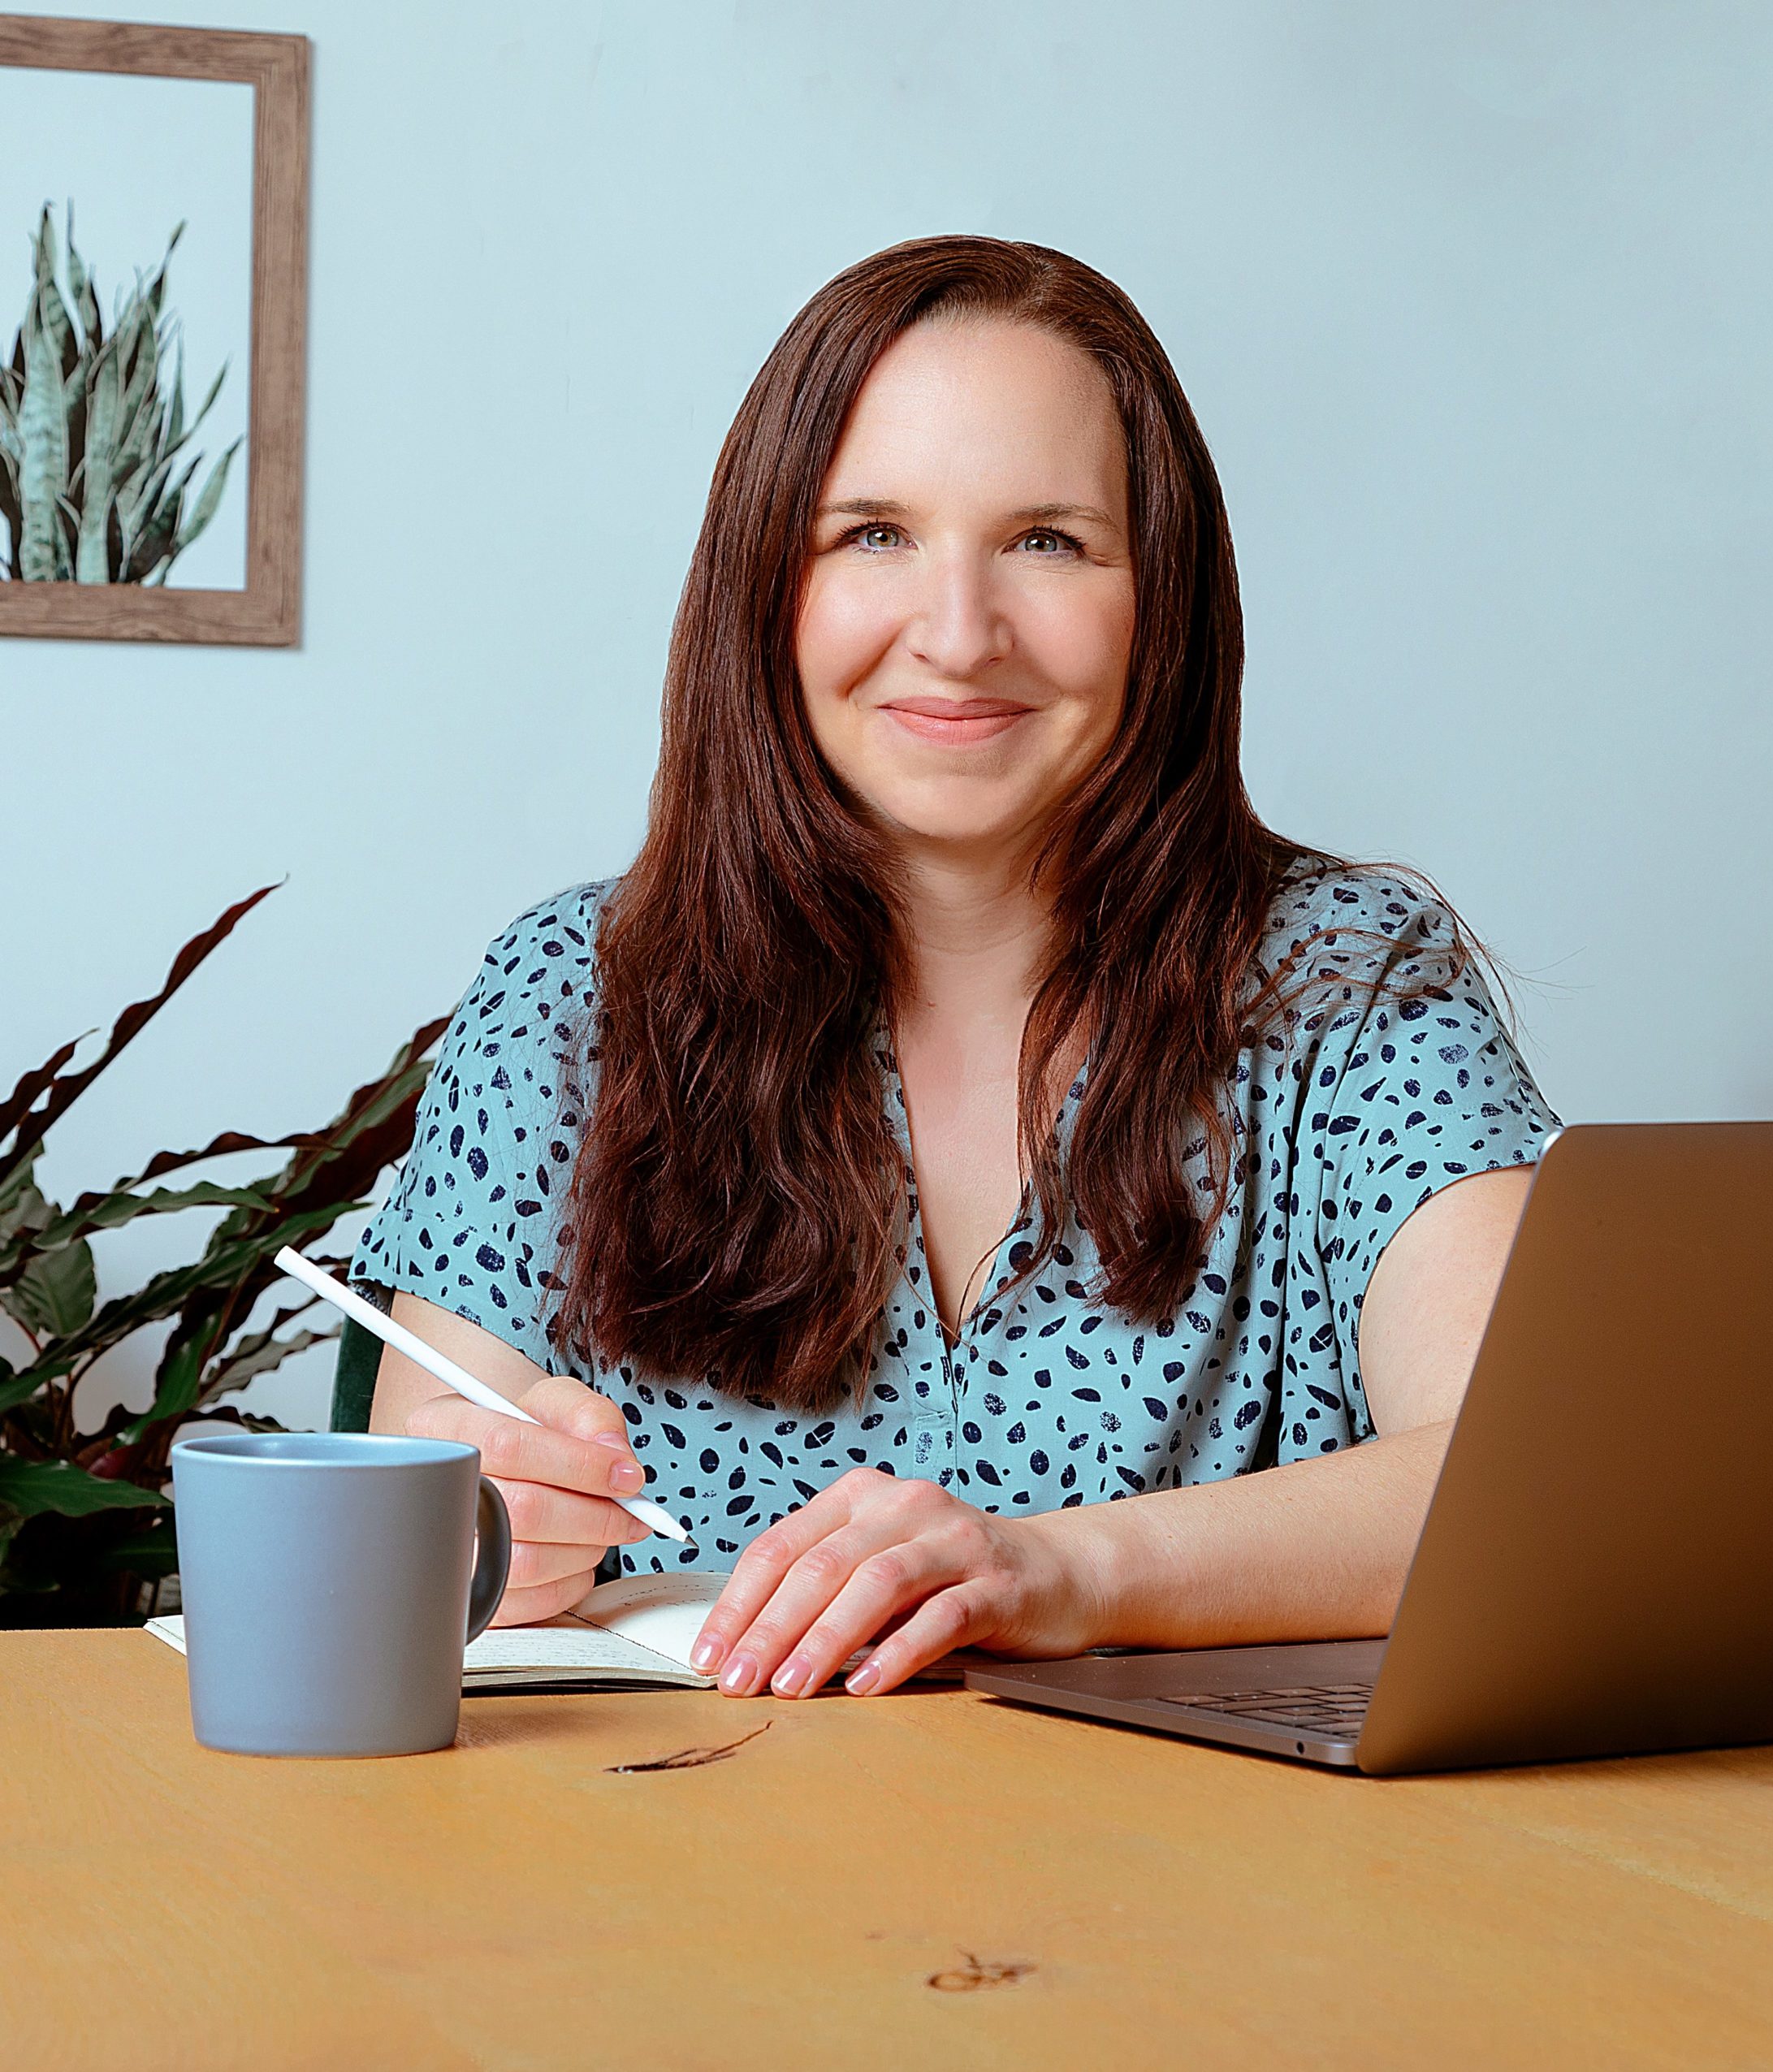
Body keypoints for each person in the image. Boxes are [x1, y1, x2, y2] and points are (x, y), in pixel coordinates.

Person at [353, 235, 1559, 1701]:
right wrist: (495, 1547)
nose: (957, 633)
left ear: (1158, 603)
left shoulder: (1348, 985)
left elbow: (1532, 1476)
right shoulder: (574, 996)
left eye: (1047, 542)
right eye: (872, 534)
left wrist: (1059, 1570)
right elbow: (402, 1552)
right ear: (766, 589)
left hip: (1217, 1896)